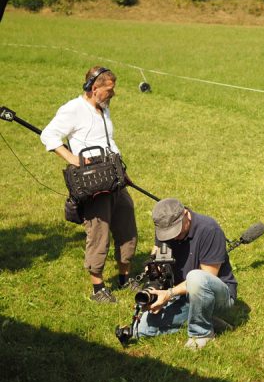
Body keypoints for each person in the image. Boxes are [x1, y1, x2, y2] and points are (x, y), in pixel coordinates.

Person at [40, 66, 137, 303]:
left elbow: (108, 141)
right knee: (99, 232)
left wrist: (122, 173)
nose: (113, 94)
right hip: (93, 182)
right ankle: (98, 288)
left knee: (127, 226)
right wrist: (74, 159)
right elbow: (48, 135)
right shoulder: (73, 109)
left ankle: (125, 278)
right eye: (109, 90)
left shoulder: (103, 108)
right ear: (94, 88)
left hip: (114, 177)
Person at [136, 198, 237, 350]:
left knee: (195, 277)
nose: (172, 236)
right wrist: (153, 274)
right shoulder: (164, 229)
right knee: (142, 329)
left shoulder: (209, 229)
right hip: (182, 294)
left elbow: (207, 276)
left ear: (185, 214)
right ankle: (207, 320)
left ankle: (201, 333)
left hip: (216, 295)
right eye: (166, 233)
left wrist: (169, 294)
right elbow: (157, 254)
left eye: (175, 230)